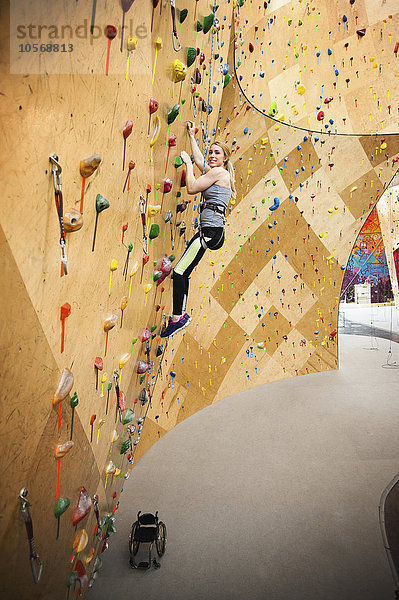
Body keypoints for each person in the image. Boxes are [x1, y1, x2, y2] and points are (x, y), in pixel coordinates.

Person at [161, 122, 236, 338]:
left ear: (224, 158)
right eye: (211, 151)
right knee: (184, 271)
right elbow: (201, 161)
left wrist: (188, 165)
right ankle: (180, 315)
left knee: (178, 272)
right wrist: (192, 137)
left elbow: (192, 187)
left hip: (209, 233)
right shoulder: (217, 172)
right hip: (211, 232)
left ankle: (178, 317)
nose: (212, 156)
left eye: (217, 153)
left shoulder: (220, 173)